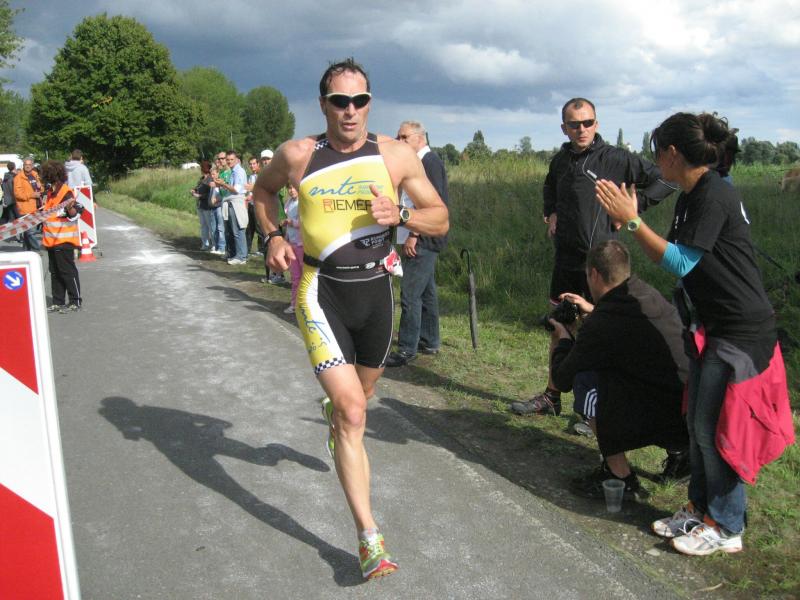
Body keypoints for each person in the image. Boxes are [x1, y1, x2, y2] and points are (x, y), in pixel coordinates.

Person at [252, 58, 448, 580]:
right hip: (321, 291)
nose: (350, 110)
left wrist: (401, 215)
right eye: (340, 101)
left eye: (359, 101)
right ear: (324, 104)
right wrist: (273, 237)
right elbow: (262, 192)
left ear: (369, 103)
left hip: (377, 292)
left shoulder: (395, 155)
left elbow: (440, 217)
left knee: (363, 396)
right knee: (354, 414)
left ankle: (336, 413)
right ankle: (369, 538)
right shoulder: (298, 155)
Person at [596, 112, 794, 556]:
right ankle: (700, 509)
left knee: (716, 430)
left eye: (655, 152)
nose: (654, 162)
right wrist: (630, 219)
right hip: (711, 325)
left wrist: (633, 221)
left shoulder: (714, 193)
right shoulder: (692, 194)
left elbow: (682, 262)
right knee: (698, 425)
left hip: (740, 329)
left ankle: (726, 525)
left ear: (672, 153)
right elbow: (676, 253)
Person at [512, 97, 676, 417]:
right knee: (560, 324)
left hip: (601, 263)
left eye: (588, 123)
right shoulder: (560, 160)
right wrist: (551, 211)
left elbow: (666, 179)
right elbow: (550, 186)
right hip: (566, 259)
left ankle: (597, 408)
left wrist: (633, 208)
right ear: (564, 128)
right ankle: (552, 396)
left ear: (596, 124)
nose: (582, 129)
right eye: (575, 124)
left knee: (599, 331)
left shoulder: (616, 159)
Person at [546, 240, 689, 502]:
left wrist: (564, 338)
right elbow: (621, 322)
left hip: (665, 417)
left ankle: (619, 476)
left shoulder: (603, 322)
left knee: (586, 382)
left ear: (594, 274)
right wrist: (593, 310)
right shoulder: (645, 293)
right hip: (691, 412)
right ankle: (681, 455)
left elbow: (562, 379)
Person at [385, 120, 449, 367]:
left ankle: (406, 348)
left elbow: (434, 204)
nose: (399, 141)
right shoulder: (420, 161)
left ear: (420, 138)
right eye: (398, 137)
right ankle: (429, 340)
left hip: (423, 237)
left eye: (404, 137)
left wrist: (415, 234)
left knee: (410, 294)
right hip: (420, 236)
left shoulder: (429, 162)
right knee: (426, 292)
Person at [39, 160, 83, 312]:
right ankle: (58, 301)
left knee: (67, 271)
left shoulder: (65, 192)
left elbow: (75, 214)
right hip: (51, 240)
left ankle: (75, 300)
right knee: (55, 273)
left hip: (64, 240)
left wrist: (70, 209)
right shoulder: (50, 193)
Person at [215, 150, 249, 265]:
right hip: (231, 202)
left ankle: (241, 257)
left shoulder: (239, 171)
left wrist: (223, 184)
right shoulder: (233, 171)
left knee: (238, 230)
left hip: (236, 202)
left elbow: (236, 190)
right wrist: (223, 184)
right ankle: (237, 255)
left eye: (231, 159)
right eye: (228, 159)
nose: (229, 162)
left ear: (237, 160)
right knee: (233, 230)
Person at [280, 184, 302, 314]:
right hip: (291, 243)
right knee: (295, 277)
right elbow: (287, 223)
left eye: (294, 187)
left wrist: (291, 222)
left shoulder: (303, 202)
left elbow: (306, 222)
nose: (292, 190)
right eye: (289, 188)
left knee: (306, 277)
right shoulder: (288, 202)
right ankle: (294, 304)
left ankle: (306, 305)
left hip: (302, 245)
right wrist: (285, 240)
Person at [13, 157, 44, 251]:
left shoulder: (35, 175)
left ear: (32, 165)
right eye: (26, 164)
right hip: (25, 208)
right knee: (31, 231)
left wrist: (40, 187)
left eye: (29, 164)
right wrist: (31, 195)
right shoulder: (18, 178)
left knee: (27, 231)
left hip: (37, 206)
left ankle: (26, 250)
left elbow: (41, 189)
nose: (28, 166)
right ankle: (36, 249)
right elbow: (18, 194)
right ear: (23, 166)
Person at [190, 160, 216, 251]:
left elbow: (210, 193)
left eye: (201, 167)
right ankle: (205, 244)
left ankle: (213, 245)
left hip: (207, 205)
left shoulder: (210, 179)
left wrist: (199, 195)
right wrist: (194, 190)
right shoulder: (202, 179)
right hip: (200, 205)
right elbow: (198, 188)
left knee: (210, 226)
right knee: (203, 226)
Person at [245, 156, 266, 256]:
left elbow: (261, 190)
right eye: (250, 164)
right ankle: (247, 248)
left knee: (259, 228)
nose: (252, 166)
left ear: (258, 164)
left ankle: (261, 249)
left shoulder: (261, 175)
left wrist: (252, 195)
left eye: (254, 164)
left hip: (259, 204)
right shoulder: (250, 176)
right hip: (250, 204)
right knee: (249, 228)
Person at [1, 161, 19, 227]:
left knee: (12, 220)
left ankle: (13, 232)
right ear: (14, 167)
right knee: (20, 218)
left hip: (7, 201)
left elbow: (3, 188)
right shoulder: (14, 177)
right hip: (14, 200)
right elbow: (15, 189)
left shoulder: (5, 177)